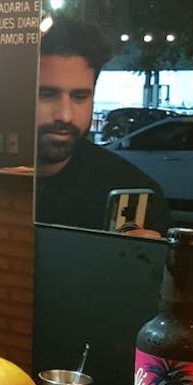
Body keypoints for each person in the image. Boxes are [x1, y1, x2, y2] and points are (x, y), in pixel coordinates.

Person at [35, 16, 171, 234]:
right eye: (46, 94)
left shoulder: (134, 193)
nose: (66, 115)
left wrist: (151, 255)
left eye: (79, 96)